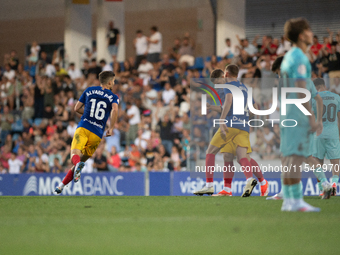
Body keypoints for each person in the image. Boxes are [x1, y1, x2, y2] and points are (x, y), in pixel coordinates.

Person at [278, 18, 332, 212]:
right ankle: (295, 201)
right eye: (308, 30)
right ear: (302, 35)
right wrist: (311, 117)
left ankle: (290, 200)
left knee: (290, 157)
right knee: (296, 158)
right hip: (297, 114)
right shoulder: (301, 58)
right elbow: (302, 90)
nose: (311, 33)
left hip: (287, 113)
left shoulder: (289, 56)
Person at [194, 67, 268, 197]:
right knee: (237, 157)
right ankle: (249, 183)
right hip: (243, 127)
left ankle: (209, 186)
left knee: (210, 152)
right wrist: (245, 120)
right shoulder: (244, 87)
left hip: (229, 125)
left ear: (226, 74)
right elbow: (254, 108)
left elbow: (228, 102)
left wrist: (222, 120)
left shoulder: (228, 86)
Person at [54, 71, 119, 194]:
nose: (114, 83)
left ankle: (69, 176)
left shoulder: (89, 90)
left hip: (84, 128)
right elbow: (115, 110)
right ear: (109, 82)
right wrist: (110, 128)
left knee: (74, 155)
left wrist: (87, 115)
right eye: (114, 81)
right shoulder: (113, 97)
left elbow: (76, 108)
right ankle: (61, 186)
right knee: (80, 162)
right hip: (97, 134)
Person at [311, 78, 340, 196]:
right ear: (324, 85)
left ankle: (322, 188)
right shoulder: (337, 97)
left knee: (317, 162)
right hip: (333, 133)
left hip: (319, 134)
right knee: (335, 161)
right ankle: (334, 184)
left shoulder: (314, 98)